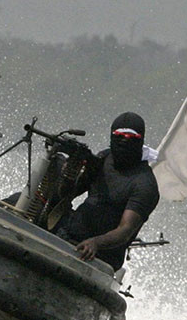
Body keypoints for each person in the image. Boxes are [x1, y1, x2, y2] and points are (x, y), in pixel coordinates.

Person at [57, 112, 160, 271]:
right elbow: (68, 194)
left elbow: (125, 230)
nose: (123, 140)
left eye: (129, 137)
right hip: (69, 235)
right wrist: (70, 173)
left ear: (140, 141)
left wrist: (95, 243)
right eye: (119, 135)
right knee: (18, 200)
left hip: (101, 257)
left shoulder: (145, 184)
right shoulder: (104, 158)